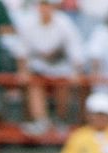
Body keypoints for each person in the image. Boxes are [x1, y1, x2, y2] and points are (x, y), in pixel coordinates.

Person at [6, 0, 85, 136]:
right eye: (42, 5)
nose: (44, 9)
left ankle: (61, 121)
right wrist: (23, 71)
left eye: (47, 5)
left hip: (61, 67)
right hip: (38, 67)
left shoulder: (64, 22)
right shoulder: (29, 22)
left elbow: (76, 49)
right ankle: (41, 121)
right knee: (33, 84)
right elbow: (21, 50)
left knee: (64, 86)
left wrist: (76, 72)